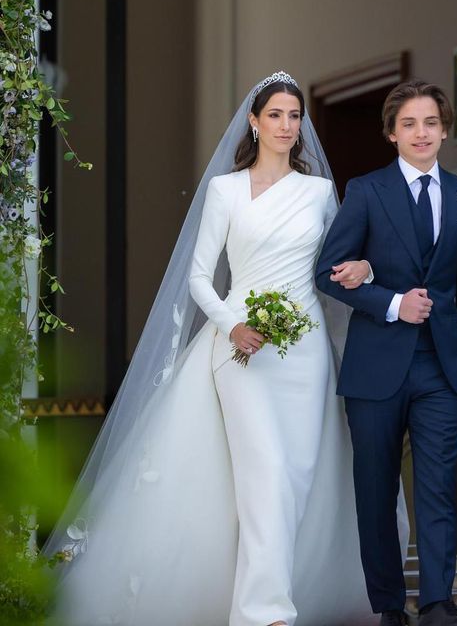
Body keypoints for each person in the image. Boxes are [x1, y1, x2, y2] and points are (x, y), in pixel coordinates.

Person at [46, 72, 374, 626]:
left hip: (305, 350)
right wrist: (232, 324)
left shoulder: (319, 192)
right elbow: (200, 276)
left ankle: (279, 594)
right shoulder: (225, 190)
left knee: (295, 476)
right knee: (265, 471)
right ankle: (264, 613)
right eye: (275, 115)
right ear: (254, 120)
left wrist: (361, 268)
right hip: (240, 347)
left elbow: (333, 266)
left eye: (295, 116)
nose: (286, 126)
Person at [316, 79, 457, 626]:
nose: (421, 133)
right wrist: (391, 303)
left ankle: (437, 603)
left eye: (431, 123)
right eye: (409, 124)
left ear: (444, 129)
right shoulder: (365, 191)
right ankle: (389, 607)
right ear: (391, 133)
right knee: (375, 491)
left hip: (443, 365)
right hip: (375, 366)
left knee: (437, 487)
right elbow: (327, 272)